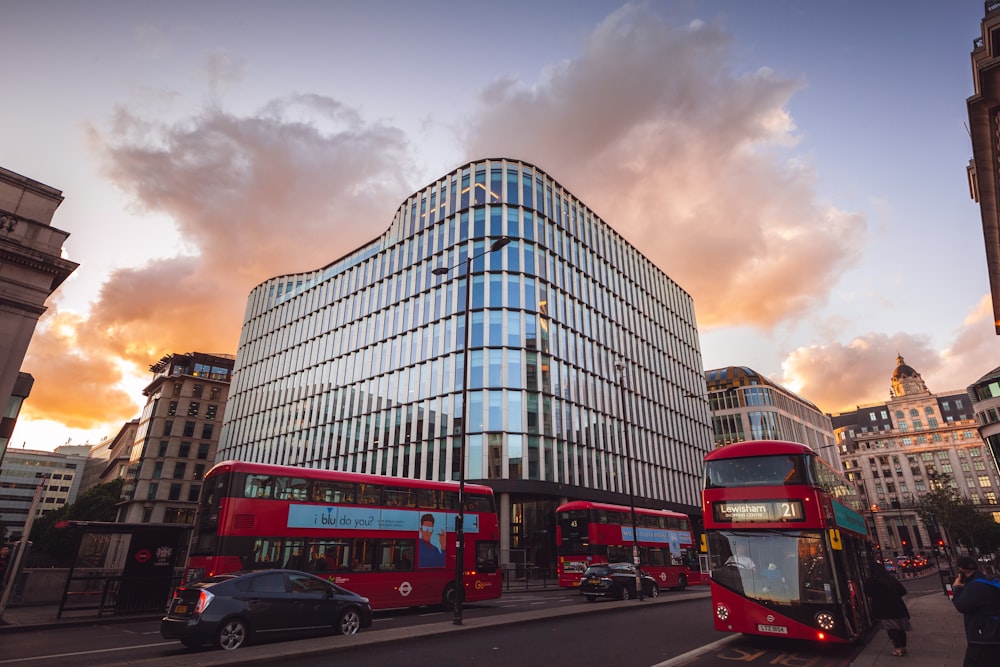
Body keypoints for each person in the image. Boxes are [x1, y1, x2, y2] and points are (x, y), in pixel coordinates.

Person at [952, 555, 1000, 667]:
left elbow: (961, 606)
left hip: (982, 638)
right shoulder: (987, 580)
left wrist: (957, 589)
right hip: (994, 632)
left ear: (961, 570)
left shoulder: (974, 586)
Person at [864, 562, 911, 657]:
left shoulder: (872, 581)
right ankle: (903, 647)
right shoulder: (891, 579)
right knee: (900, 628)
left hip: (884, 608)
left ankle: (898, 649)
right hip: (898, 606)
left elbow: (867, 593)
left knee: (892, 628)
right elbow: (903, 591)